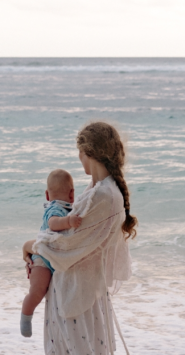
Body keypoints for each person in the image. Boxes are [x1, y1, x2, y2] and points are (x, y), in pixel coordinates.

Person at [21, 122, 137, 354]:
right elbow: (69, 240)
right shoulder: (97, 190)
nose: (78, 157)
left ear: (89, 152)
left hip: (78, 300)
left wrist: (30, 246)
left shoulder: (103, 195)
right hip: (75, 293)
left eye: (80, 152)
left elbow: (65, 246)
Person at [20, 169, 82, 337]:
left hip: (52, 256)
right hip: (41, 258)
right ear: (72, 194)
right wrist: (68, 221)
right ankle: (26, 316)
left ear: (47, 194)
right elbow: (53, 223)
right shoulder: (55, 208)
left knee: (47, 289)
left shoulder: (70, 209)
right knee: (37, 291)